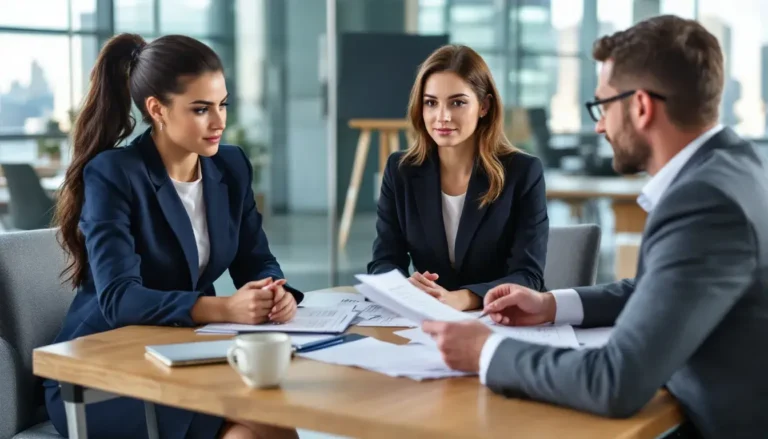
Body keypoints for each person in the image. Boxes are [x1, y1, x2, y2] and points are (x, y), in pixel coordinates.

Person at [422, 15, 768, 439]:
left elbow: (614, 382)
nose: (599, 124)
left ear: (640, 106)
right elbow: (657, 290)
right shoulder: (737, 166)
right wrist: (552, 305)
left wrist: (485, 351)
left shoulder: (705, 203)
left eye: (603, 105)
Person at [44, 33, 301, 439]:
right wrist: (224, 309)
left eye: (222, 105)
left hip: (184, 355)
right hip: (102, 371)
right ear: (157, 109)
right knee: (258, 427)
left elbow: (256, 259)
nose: (218, 122)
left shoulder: (230, 167)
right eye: (201, 109)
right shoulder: (115, 174)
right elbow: (119, 299)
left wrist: (275, 292)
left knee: (269, 421)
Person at [367, 44, 549, 312]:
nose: (442, 116)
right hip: (425, 321)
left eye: (458, 102)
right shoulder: (401, 170)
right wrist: (406, 288)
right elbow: (383, 261)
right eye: (431, 103)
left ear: (484, 106)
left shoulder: (522, 172)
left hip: (500, 320)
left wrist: (461, 298)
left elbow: (528, 276)